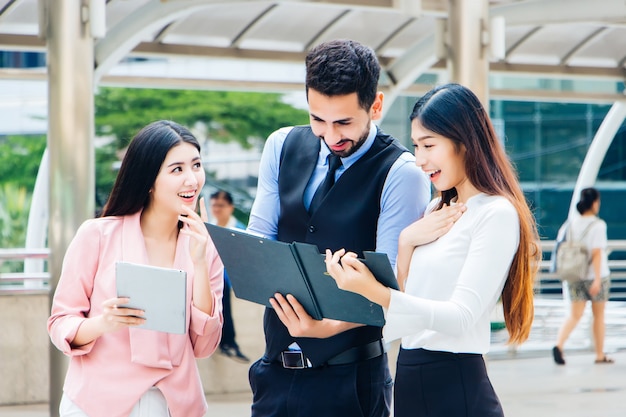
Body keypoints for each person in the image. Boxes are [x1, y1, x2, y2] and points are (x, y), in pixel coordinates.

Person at [326, 83, 541, 417]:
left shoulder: (496, 214)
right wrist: (405, 242)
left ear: (465, 143)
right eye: (415, 145)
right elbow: (401, 313)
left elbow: (460, 317)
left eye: (429, 144)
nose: (420, 159)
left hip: (457, 385)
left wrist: (376, 292)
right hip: (410, 377)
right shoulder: (434, 212)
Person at [246, 39, 430, 417]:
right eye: (318, 119)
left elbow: (393, 286)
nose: (330, 136)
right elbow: (258, 243)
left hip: (351, 380)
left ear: (375, 105)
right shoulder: (280, 145)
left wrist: (327, 327)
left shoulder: (402, 173)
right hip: (274, 372)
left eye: (344, 122)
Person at [47, 120, 224, 417]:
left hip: (173, 404)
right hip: (97, 402)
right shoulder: (97, 235)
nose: (192, 180)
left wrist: (200, 262)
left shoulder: (205, 246)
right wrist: (104, 322)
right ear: (149, 179)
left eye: (196, 165)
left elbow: (204, 345)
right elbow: (60, 322)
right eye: (177, 169)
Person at [552, 187, 613, 365]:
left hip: (575, 275)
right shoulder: (598, 225)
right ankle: (600, 355)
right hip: (597, 277)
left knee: (574, 315)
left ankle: (559, 345)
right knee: (599, 315)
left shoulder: (570, 224)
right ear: (594, 203)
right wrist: (595, 280)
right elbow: (596, 253)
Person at [209, 189, 250, 363]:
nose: (217, 209)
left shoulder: (239, 230)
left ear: (230, 207)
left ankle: (228, 342)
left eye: (221, 205)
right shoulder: (207, 227)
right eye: (214, 205)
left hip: (228, 280)